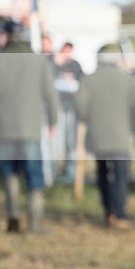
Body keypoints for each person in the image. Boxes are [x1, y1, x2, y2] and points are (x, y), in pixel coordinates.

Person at [0, 21, 59, 233]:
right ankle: (35, 225)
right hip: (30, 130)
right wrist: (53, 122)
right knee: (34, 175)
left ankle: (13, 219)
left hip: (4, 130)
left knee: (9, 172)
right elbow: (50, 95)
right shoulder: (38, 61)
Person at [76, 43, 135, 228]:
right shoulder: (126, 79)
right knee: (120, 174)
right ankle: (119, 213)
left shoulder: (89, 79)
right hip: (120, 136)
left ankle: (108, 211)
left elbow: (80, 107)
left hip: (97, 136)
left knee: (103, 172)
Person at [52, 41, 84, 182]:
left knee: (71, 142)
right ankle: (54, 174)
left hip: (71, 107)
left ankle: (70, 175)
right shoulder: (55, 63)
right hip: (59, 106)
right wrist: (56, 64)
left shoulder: (75, 65)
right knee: (57, 143)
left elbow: (83, 83)